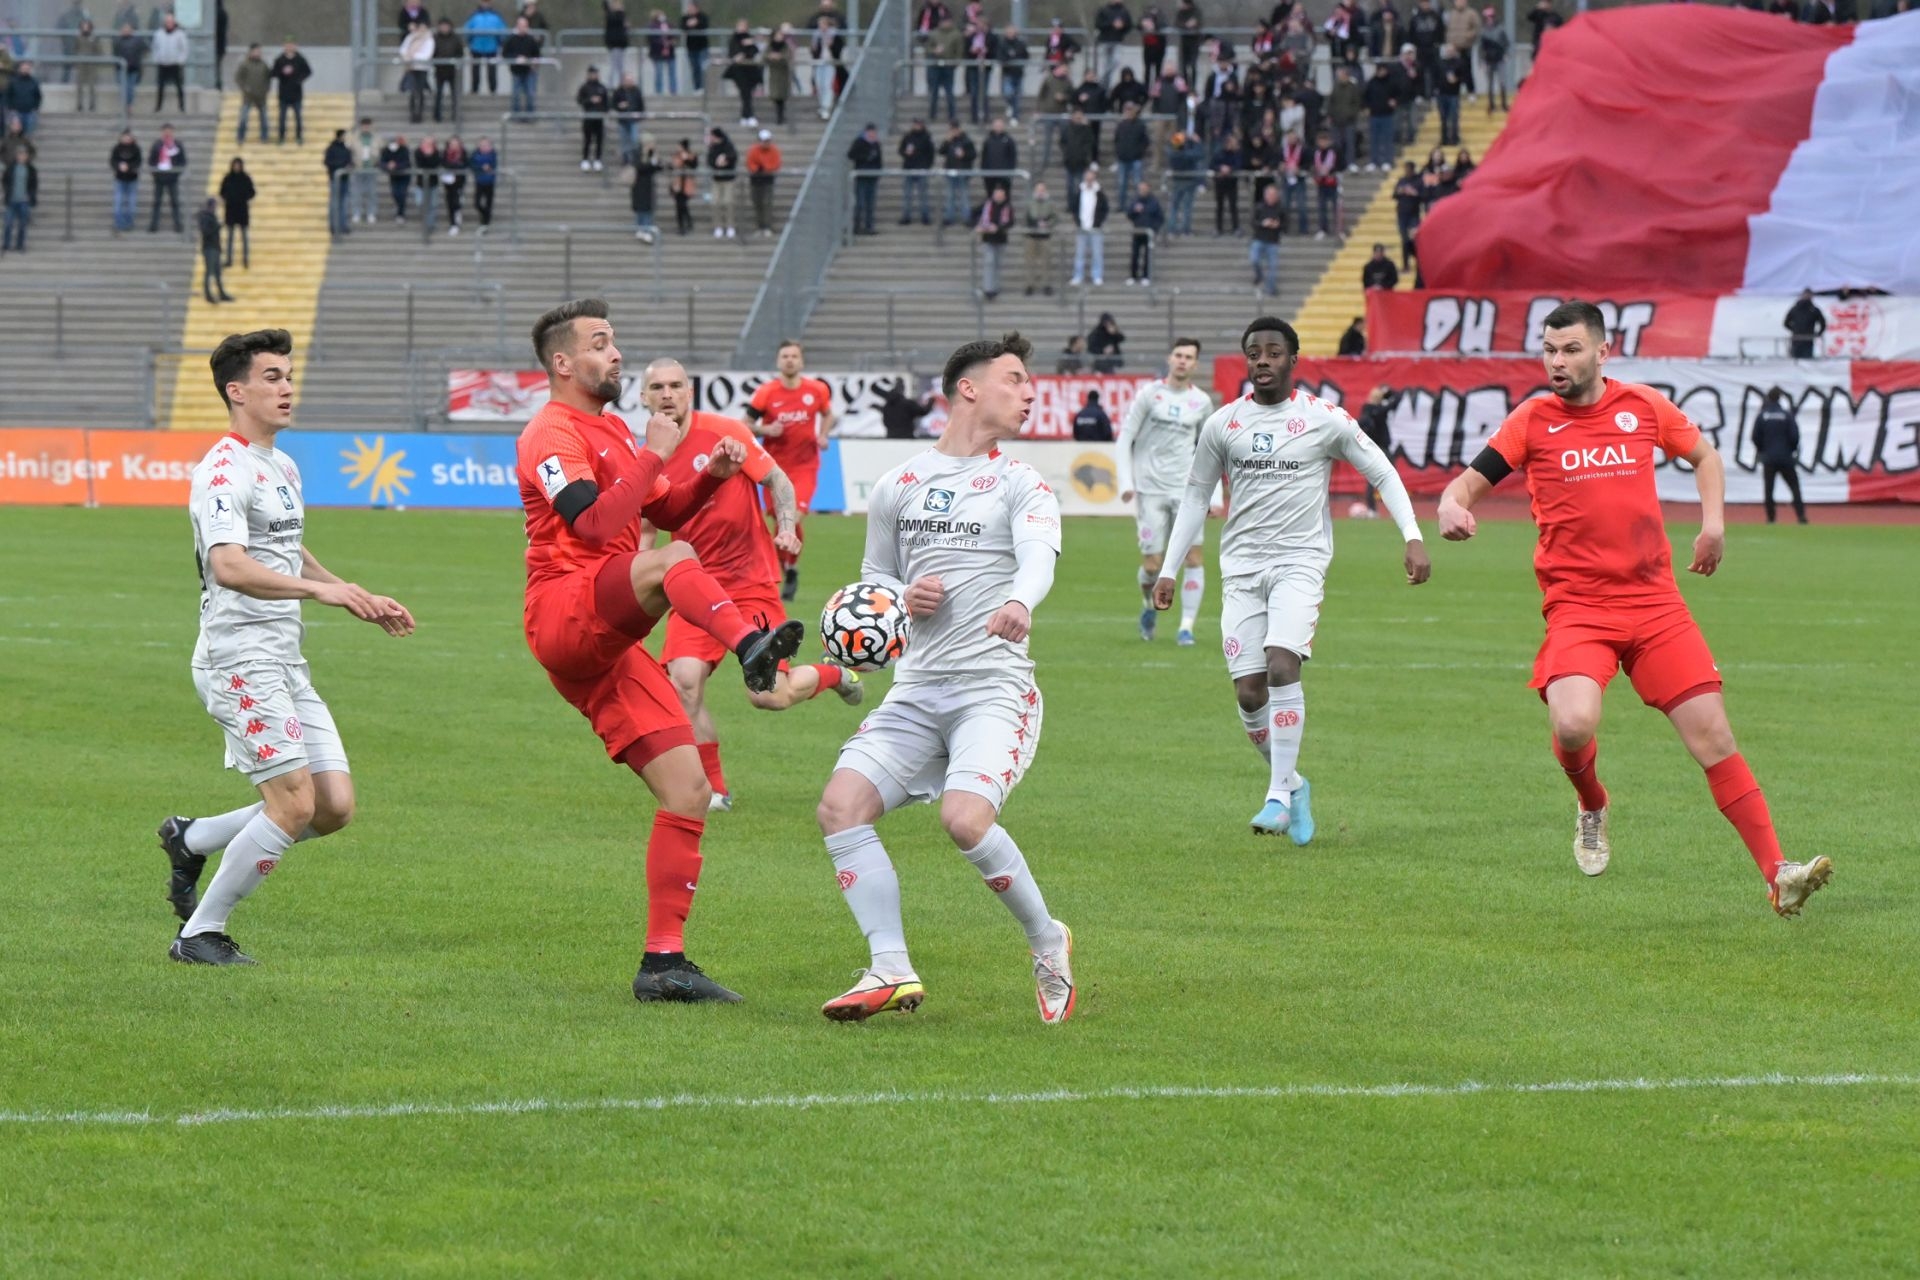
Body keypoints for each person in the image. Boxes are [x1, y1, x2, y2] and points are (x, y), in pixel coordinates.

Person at [1436, 300, 1831, 914]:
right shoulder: (1532, 420)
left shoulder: (1642, 406)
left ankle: (1778, 875)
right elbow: (1467, 483)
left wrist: (1714, 525)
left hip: (1655, 605)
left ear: (1603, 351)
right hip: (1579, 609)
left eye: (1570, 349)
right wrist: (1450, 505)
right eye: (1549, 350)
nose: (1557, 361)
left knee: (1714, 738)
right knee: (1573, 725)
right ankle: (1592, 802)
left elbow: (1705, 456)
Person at [513, 299, 805, 1003]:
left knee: (689, 790)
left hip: (607, 639)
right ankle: (752, 645)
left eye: (614, 342)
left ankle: (663, 964)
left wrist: (711, 476)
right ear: (563, 362)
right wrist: (653, 451)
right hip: (564, 607)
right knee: (673, 558)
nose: (616, 354)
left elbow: (664, 507)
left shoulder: (612, 427)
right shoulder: (550, 431)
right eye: (600, 343)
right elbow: (592, 523)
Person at [814, 333, 1076, 1024]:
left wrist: (1020, 600)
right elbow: (875, 580)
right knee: (839, 809)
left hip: (993, 689)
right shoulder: (899, 485)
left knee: (964, 820)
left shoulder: (1022, 482)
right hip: (916, 689)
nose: (1029, 392)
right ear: (969, 388)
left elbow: (1038, 555)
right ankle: (890, 968)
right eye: (1015, 379)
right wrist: (903, 598)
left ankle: (1047, 940)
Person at [156, 329, 415, 965]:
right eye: (272, 377)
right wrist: (320, 593)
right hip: (238, 658)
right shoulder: (222, 469)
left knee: (332, 808)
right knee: (294, 802)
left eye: (289, 376)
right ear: (236, 391)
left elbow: (285, 548)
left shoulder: (282, 464)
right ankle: (200, 934)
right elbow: (229, 565)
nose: (287, 388)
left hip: (283, 657)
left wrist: (351, 592)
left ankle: (193, 838)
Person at [1155, 317, 1429, 840]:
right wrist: (1170, 569)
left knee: (1283, 665)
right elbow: (1195, 496)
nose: (1263, 360)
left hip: (1300, 564)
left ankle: (1277, 796)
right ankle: (1294, 784)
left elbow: (1381, 471)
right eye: (1254, 352)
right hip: (1241, 570)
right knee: (1249, 693)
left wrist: (1412, 535)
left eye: (1273, 352)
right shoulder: (1223, 424)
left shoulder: (1324, 419)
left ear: (1293, 360)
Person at [643, 357, 861, 813]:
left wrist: (787, 526)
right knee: (684, 684)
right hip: (693, 586)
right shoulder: (647, 456)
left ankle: (834, 674)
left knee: (768, 696)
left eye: (676, 385)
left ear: (689, 393)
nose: (667, 394)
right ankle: (715, 791)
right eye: (657, 387)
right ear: (644, 398)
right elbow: (644, 529)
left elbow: (777, 479)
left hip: (749, 582)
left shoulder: (726, 432)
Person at [1117, 339, 1215, 644]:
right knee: (1152, 564)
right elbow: (1125, 437)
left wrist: (1214, 496)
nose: (1183, 361)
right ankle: (1149, 606)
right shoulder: (1150, 395)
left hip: (1187, 491)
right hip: (1150, 489)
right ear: (1169, 358)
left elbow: (1210, 451)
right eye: (1179, 355)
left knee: (1194, 557)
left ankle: (1186, 627)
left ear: (1195, 364)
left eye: (1189, 357)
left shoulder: (1201, 402)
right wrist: (1125, 482)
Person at [745, 340, 837, 601]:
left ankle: (790, 568)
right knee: (779, 522)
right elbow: (745, 424)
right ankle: (785, 568)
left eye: (794, 356)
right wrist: (765, 429)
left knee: (792, 518)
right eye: (785, 356)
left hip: (805, 466)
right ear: (778, 361)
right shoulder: (766, 393)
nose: (789, 360)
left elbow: (829, 415)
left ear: (801, 361)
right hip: (773, 469)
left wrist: (823, 434)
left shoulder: (816, 390)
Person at [1752, 387, 1807, 525]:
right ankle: (1801, 515)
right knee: (1794, 487)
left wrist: (1763, 450)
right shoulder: (1786, 415)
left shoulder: (1762, 416)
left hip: (1769, 458)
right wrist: (1790, 449)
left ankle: (1771, 518)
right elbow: (1795, 436)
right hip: (1785, 457)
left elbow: (1755, 436)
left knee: (1769, 489)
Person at [1355, 383, 1393, 516]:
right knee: (1389, 480)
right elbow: (1395, 400)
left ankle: (1372, 509)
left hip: (1372, 450)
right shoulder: (1377, 410)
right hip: (1380, 449)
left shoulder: (1368, 410)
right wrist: (1387, 392)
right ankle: (1377, 509)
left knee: (1374, 480)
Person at [1069, 166, 1107, 287]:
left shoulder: (1099, 192)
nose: (1089, 180)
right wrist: (1078, 221)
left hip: (1095, 228)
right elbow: (1074, 207)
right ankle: (1078, 275)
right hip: (1082, 228)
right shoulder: (1079, 191)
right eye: (1088, 177)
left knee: (1097, 253)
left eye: (1091, 178)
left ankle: (1097, 275)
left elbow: (1105, 208)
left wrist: (1098, 222)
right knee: (1079, 254)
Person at [976, 183, 1014, 300]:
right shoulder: (987, 205)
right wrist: (979, 226)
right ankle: (988, 289)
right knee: (989, 262)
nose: (998, 196)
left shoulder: (1008, 207)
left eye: (1000, 194)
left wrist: (997, 228)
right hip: (988, 239)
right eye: (997, 194)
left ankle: (995, 287)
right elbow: (975, 215)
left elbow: (1010, 223)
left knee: (997, 264)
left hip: (1001, 239)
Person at [148, 123, 186, 233]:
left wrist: (176, 173)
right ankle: (153, 225)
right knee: (157, 202)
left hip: (172, 178)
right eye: (165, 131)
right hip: (159, 178)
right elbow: (151, 161)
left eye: (169, 131)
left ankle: (178, 224)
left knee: (175, 202)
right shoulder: (157, 145)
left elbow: (182, 161)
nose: (167, 133)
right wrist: (156, 173)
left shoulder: (177, 145)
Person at [1124, 179, 1162, 287]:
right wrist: (1134, 211)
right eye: (1140, 189)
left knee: (1147, 256)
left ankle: (1146, 276)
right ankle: (1133, 276)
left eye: (1144, 188)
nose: (1142, 190)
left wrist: (1154, 229)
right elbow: (1129, 214)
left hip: (1149, 233)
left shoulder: (1154, 201)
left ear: (1148, 189)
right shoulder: (1135, 200)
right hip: (1137, 231)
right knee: (1135, 255)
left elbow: (1160, 217)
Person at [465, 0, 508, 95]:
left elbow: (502, 31)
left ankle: (493, 90)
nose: (485, 4)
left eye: (487, 2)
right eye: (484, 2)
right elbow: (467, 29)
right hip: (476, 47)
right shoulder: (474, 15)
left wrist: (500, 42)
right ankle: (474, 90)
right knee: (475, 71)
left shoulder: (496, 16)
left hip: (491, 47)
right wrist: (470, 41)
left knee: (492, 71)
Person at [1023, 179, 1057, 296]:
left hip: (1045, 235)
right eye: (1038, 190)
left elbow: (1055, 217)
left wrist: (1048, 223)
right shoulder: (1029, 203)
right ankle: (1029, 284)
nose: (1040, 192)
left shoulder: (1050, 204)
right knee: (1030, 262)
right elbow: (1025, 218)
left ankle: (1046, 284)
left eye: (1042, 190)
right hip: (1031, 235)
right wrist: (1032, 225)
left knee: (1046, 262)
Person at [273, 42, 312, 144]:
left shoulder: (300, 59)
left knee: (298, 117)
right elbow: (274, 73)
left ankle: (299, 137)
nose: (289, 47)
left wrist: (299, 80)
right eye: (287, 45)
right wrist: (282, 72)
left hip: (296, 94)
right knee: (282, 117)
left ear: (295, 47)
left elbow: (308, 71)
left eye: (292, 45)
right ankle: (281, 137)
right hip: (283, 94)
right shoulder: (280, 59)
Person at [937, 121, 975, 227]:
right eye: (952, 130)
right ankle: (949, 217)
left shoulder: (966, 141)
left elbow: (973, 154)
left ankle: (967, 218)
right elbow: (941, 151)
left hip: (962, 171)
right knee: (950, 196)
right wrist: (946, 141)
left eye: (955, 129)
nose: (954, 132)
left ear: (959, 129)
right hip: (950, 172)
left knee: (964, 196)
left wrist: (964, 155)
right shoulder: (949, 141)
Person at [724, 19, 761, 126]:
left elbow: (754, 52)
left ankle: (746, 116)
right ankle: (748, 115)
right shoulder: (734, 39)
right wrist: (739, 55)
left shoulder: (749, 38)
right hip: (738, 71)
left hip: (750, 70)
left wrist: (749, 45)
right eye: (740, 26)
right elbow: (732, 53)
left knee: (748, 93)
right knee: (745, 92)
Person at [220, 156, 254, 268]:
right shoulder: (228, 178)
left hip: (242, 211)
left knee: (244, 237)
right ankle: (229, 260)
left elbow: (252, 192)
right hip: (231, 211)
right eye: (235, 165)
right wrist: (229, 198)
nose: (237, 167)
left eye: (238, 165)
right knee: (230, 237)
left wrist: (243, 197)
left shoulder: (245, 178)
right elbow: (222, 192)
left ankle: (245, 260)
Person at [898, 117, 934, 224]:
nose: (917, 126)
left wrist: (927, 166)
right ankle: (906, 216)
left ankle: (925, 216)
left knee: (923, 195)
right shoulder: (908, 137)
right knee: (907, 195)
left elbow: (931, 153)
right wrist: (905, 153)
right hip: (909, 168)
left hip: (921, 169)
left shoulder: (926, 137)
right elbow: (900, 150)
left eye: (919, 124)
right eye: (915, 124)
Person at [1249, 183, 1282, 297]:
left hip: (1273, 241)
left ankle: (1271, 288)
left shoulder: (1280, 209)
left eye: (1273, 195)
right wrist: (1262, 223)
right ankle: (1259, 275)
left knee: (1273, 266)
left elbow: (1286, 224)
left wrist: (1278, 225)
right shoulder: (1259, 207)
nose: (1271, 197)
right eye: (1269, 194)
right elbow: (1253, 222)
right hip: (1259, 238)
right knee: (1254, 259)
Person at [745, 128, 780, 236]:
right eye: (764, 141)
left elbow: (776, 163)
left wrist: (765, 167)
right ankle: (760, 226)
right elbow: (750, 162)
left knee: (767, 203)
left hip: (767, 180)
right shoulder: (754, 150)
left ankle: (767, 226)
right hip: (756, 180)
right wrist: (757, 168)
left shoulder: (774, 150)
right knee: (757, 203)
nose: (766, 143)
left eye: (767, 141)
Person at [504, 17, 541, 117]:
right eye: (521, 26)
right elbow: (505, 54)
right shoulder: (511, 39)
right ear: (517, 26)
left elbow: (537, 55)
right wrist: (515, 58)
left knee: (530, 93)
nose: (522, 28)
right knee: (516, 94)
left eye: (525, 26)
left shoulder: (531, 40)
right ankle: (516, 115)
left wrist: (532, 62)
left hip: (529, 71)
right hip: (516, 71)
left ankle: (530, 115)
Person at [1, 143, 34, 253]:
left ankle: (20, 245)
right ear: (17, 156)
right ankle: (6, 245)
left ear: (27, 156)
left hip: (23, 201)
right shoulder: (11, 168)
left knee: (22, 224)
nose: (22, 156)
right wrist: (7, 191)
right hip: (11, 200)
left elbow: (33, 184)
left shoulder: (30, 170)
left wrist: (30, 195)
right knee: (8, 223)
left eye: (24, 154)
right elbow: (5, 180)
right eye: (20, 154)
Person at [706, 125, 737, 238]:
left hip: (728, 179)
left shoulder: (728, 145)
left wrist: (725, 159)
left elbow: (733, 157)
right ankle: (718, 226)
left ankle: (730, 226)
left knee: (728, 202)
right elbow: (710, 161)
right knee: (715, 202)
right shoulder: (712, 147)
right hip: (716, 179)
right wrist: (716, 163)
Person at [152, 13, 187, 111]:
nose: (169, 24)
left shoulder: (180, 34)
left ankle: (182, 106)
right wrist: (157, 58)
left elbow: (184, 48)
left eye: (171, 22)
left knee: (179, 86)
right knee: (160, 86)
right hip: (162, 64)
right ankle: (158, 106)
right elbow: (155, 47)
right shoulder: (159, 34)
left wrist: (180, 60)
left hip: (175, 64)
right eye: (167, 22)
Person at [235, 44, 270, 143]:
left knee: (264, 118)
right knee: (243, 118)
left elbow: (268, 78)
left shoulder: (264, 65)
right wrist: (245, 88)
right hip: (248, 97)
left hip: (261, 97)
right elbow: (238, 78)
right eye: (255, 51)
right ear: (250, 52)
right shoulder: (244, 64)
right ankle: (240, 137)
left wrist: (265, 90)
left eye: (259, 52)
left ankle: (264, 137)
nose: (257, 53)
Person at [401, 20, 434, 123]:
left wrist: (412, 56)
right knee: (412, 91)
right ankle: (412, 113)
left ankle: (419, 113)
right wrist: (407, 57)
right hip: (411, 68)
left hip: (422, 68)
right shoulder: (411, 37)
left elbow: (426, 55)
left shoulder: (429, 40)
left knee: (420, 91)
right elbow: (403, 49)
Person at [577, 65, 610, 170]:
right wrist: (590, 100)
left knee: (599, 140)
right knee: (587, 139)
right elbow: (580, 100)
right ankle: (585, 159)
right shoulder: (584, 87)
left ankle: (597, 159)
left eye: (596, 74)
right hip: (588, 117)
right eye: (592, 74)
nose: (594, 75)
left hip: (599, 118)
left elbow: (607, 103)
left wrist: (603, 109)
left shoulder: (602, 87)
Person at [432, 18, 464, 121]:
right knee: (439, 93)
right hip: (440, 70)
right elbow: (432, 53)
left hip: (453, 71)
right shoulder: (435, 38)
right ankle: (437, 115)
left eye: (446, 26)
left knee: (455, 94)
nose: (444, 28)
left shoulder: (456, 39)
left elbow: (460, 53)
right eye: (442, 26)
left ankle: (456, 115)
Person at [110, 128, 142, 234]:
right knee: (118, 201)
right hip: (120, 178)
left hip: (132, 178)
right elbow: (112, 161)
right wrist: (118, 167)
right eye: (125, 137)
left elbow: (138, 162)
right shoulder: (117, 148)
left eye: (128, 137)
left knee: (131, 202)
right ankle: (118, 222)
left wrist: (129, 167)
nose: (127, 138)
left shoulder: (136, 148)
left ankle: (129, 222)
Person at [1479, 7, 1509, 114]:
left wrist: (1505, 54)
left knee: (1502, 81)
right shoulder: (1483, 32)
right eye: (1487, 17)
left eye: (1491, 17)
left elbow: (1506, 43)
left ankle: (1504, 104)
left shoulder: (1501, 29)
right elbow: (1481, 47)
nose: (1489, 19)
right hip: (1489, 60)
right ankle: (1491, 105)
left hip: (1499, 59)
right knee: (1490, 83)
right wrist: (1482, 60)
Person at [611, 72, 644, 162]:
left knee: (634, 139)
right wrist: (619, 106)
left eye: (631, 80)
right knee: (624, 141)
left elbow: (641, 105)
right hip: (623, 120)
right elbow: (613, 104)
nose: (629, 82)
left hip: (633, 120)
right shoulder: (618, 91)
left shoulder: (636, 91)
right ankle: (625, 159)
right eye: (627, 80)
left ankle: (634, 159)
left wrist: (639, 115)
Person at [631, 140, 660, 241]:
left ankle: (646, 229)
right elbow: (639, 167)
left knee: (647, 208)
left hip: (648, 186)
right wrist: (651, 164)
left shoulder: (651, 155)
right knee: (641, 208)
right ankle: (642, 229)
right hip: (639, 186)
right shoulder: (637, 154)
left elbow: (656, 167)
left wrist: (655, 161)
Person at [763, 23, 792, 125]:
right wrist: (770, 57)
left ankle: (781, 116)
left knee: (782, 96)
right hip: (774, 74)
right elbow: (764, 57)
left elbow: (788, 57)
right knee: (775, 95)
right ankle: (779, 116)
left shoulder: (785, 46)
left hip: (783, 74)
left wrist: (779, 57)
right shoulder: (770, 46)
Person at [1784, 290, 1826, 359]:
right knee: (1794, 361)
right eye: (1806, 295)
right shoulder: (1795, 309)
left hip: (1807, 339)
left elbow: (1823, 324)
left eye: (1809, 295)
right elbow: (1786, 323)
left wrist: (1818, 333)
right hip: (1797, 339)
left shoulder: (1814, 310)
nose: (1807, 297)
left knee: (1807, 361)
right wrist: (1795, 330)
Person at [381, 132, 412, 220]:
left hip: (404, 176)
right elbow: (382, 162)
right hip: (394, 176)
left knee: (402, 193)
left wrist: (396, 165)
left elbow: (407, 163)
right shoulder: (386, 150)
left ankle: (400, 214)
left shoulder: (404, 149)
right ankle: (399, 208)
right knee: (395, 193)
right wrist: (387, 166)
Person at [681, 0, 711, 93]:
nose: (690, 9)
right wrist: (689, 24)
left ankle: (704, 87)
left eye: (691, 7)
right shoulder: (685, 18)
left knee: (703, 67)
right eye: (689, 8)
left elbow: (705, 25)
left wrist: (696, 23)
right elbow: (683, 27)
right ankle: (697, 88)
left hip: (702, 47)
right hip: (691, 47)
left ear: (696, 8)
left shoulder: (703, 16)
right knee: (695, 68)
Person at [471, 134, 498, 232]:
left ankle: (485, 223)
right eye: (482, 145)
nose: (484, 147)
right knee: (477, 203)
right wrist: (481, 168)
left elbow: (494, 165)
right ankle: (485, 215)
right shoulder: (475, 154)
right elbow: (472, 165)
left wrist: (489, 167)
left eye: (486, 145)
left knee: (488, 203)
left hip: (490, 182)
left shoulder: (493, 154)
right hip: (479, 181)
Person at [646, 9, 678, 96]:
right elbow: (651, 39)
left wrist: (670, 42)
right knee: (659, 73)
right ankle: (659, 92)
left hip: (670, 52)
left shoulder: (668, 24)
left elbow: (674, 35)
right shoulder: (652, 26)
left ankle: (673, 91)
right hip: (657, 53)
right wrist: (663, 43)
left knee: (672, 73)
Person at [671, 136, 699, 233]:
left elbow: (694, 165)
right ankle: (682, 225)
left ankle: (687, 222)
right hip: (678, 184)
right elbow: (673, 166)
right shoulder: (676, 156)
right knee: (679, 206)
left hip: (687, 184)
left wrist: (686, 158)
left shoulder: (691, 155)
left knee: (682, 205)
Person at [604, 0, 631, 82]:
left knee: (620, 66)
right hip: (615, 43)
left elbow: (625, 26)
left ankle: (620, 83)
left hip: (620, 43)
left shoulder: (620, 15)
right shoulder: (612, 15)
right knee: (615, 66)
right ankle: (612, 84)